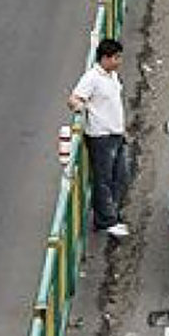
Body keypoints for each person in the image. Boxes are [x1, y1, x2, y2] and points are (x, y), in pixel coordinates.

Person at [68, 38, 129, 238]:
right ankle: (105, 221)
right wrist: (80, 107)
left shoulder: (112, 76)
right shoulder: (92, 78)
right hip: (101, 137)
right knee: (103, 179)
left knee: (121, 177)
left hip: (116, 134)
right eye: (116, 57)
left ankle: (112, 215)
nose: (119, 61)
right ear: (105, 58)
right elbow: (74, 99)